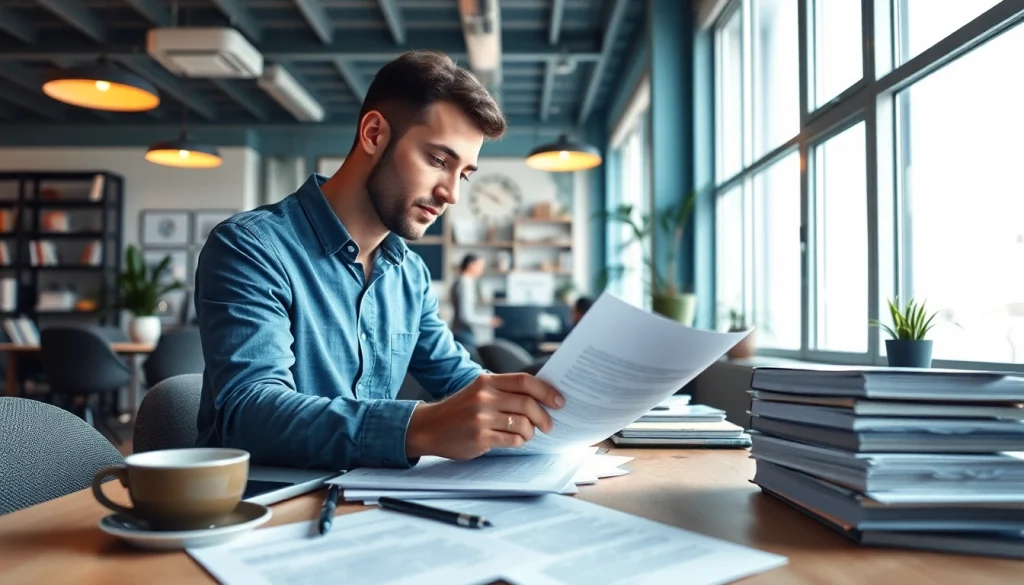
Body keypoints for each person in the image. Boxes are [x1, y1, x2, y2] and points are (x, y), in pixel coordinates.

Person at [193, 50, 565, 471]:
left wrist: (553, 415)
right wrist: (418, 427)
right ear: (373, 133)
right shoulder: (251, 248)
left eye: (461, 174)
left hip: (371, 502)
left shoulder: (410, 275)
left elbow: (461, 380)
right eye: (438, 161)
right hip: (270, 509)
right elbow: (250, 414)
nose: (451, 194)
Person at [450, 253, 500, 352]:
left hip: (458, 331)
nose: (482, 269)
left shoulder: (459, 281)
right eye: (480, 266)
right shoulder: (465, 284)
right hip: (464, 333)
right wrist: (488, 321)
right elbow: (466, 316)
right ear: (470, 265)